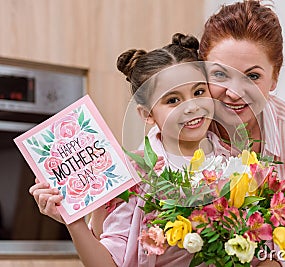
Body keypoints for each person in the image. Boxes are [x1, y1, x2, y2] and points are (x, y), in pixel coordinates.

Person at [29, 33, 229, 267]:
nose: (191, 107)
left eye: (198, 92)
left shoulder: (236, 161)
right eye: (172, 100)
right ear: (147, 114)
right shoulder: (131, 174)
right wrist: (74, 221)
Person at [199, 0, 285, 264]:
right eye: (220, 74)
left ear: (275, 77)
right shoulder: (182, 129)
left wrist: (275, 259)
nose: (234, 92)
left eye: (253, 77)